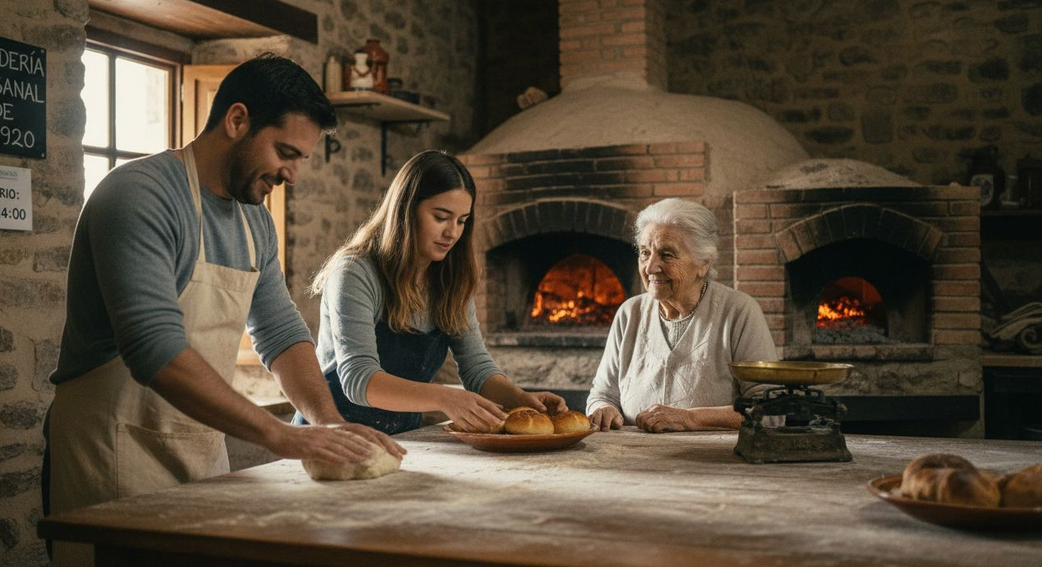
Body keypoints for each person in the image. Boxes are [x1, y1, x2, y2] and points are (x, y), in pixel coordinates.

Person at [43, 54, 403, 567]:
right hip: (111, 452)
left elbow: (281, 331)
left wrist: (329, 422)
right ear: (237, 120)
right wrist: (283, 436)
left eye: (301, 159)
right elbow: (154, 348)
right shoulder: (139, 196)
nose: (293, 174)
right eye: (286, 153)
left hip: (199, 452)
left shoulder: (253, 218)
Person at [295, 150, 566, 435]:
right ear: (406, 209)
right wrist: (445, 397)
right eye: (441, 217)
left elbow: (477, 368)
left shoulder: (451, 278)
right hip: (330, 438)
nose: (452, 232)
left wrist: (521, 399)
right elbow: (358, 380)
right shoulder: (355, 272)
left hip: (404, 439)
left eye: (462, 221)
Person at [586, 198, 777, 433]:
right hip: (633, 460)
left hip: (712, 462)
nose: (650, 267)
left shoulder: (738, 312)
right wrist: (603, 408)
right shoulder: (629, 313)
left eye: (667, 255)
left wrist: (690, 419)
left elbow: (770, 411)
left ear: (703, 263)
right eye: (645, 253)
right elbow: (603, 394)